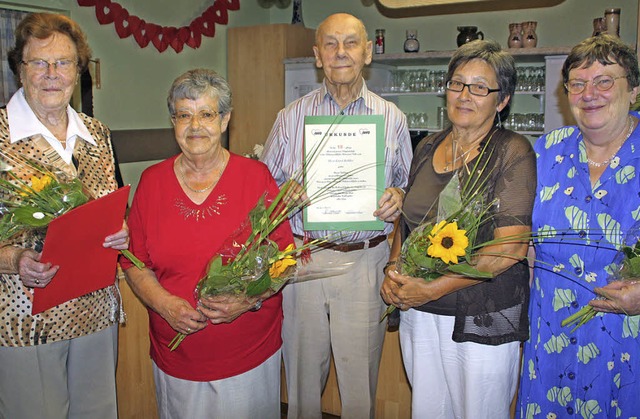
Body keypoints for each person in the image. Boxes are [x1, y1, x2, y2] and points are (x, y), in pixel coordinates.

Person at [261, 13, 412, 419]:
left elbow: (407, 188)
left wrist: (398, 195)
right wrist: (281, 194)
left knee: (360, 387)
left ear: (367, 53)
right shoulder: (289, 118)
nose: (340, 52)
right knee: (303, 385)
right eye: (330, 44)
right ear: (317, 55)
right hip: (304, 260)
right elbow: (263, 190)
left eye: (350, 43)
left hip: (366, 260)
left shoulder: (392, 118)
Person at [120, 68, 293, 419]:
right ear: (173, 122)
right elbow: (134, 263)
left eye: (206, 114)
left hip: (247, 352)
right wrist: (165, 304)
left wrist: (247, 300)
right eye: (184, 115)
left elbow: (285, 259)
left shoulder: (255, 177)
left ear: (225, 119)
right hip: (177, 356)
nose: (194, 125)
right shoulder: (152, 183)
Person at [381, 39, 535, 418]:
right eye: (457, 83)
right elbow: (408, 221)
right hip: (419, 313)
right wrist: (393, 269)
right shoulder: (428, 146)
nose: (465, 95)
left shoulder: (512, 151)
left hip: (479, 316)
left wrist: (433, 287)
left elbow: (509, 249)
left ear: (502, 100)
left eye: (480, 87)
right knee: (428, 410)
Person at [0, 13, 129, 418]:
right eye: (39, 62)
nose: (52, 74)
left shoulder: (98, 134)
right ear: (20, 70)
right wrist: (15, 259)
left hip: (96, 312)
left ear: (79, 70)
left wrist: (120, 233)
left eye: (64, 63)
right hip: (26, 317)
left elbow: (112, 209)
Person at [518, 34, 640, 416]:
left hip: (627, 345)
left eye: (605, 81)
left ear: (634, 90)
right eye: (578, 83)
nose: (590, 93)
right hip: (550, 342)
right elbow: (525, 243)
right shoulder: (545, 151)